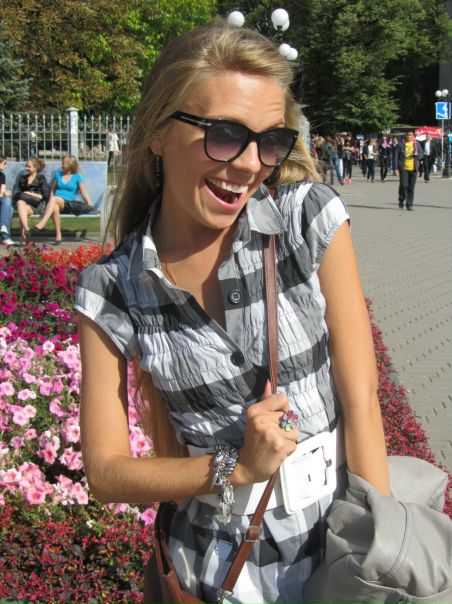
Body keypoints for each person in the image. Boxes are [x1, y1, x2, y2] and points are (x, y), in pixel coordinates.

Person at [75, 23, 390, 604]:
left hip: (333, 547)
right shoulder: (111, 287)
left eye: (270, 141)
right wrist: (235, 468)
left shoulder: (305, 220)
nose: (249, 165)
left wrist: (378, 560)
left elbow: (362, 402)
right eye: (224, 135)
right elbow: (107, 471)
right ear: (159, 133)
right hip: (217, 570)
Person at [34, 155, 93, 245]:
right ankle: (58, 234)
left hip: (68, 204)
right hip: (56, 203)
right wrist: (49, 202)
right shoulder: (58, 174)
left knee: (55, 199)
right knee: (55, 207)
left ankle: (43, 222)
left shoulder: (77, 177)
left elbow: (83, 192)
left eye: (63, 164)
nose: (61, 165)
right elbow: (52, 190)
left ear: (70, 165)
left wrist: (89, 204)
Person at [13, 157, 50, 245]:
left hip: (36, 204)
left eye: (29, 166)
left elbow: (44, 196)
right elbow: (18, 193)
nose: (26, 168)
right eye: (26, 166)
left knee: (21, 209)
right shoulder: (23, 178)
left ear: (35, 168)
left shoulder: (41, 178)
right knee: (20, 204)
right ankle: (27, 230)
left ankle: (23, 236)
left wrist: (30, 193)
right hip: (23, 204)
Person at [394, 131, 424, 211]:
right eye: (407, 135)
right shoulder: (400, 144)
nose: (408, 136)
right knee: (403, 185)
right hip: (403, 168)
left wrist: (417, 155)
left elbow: (421, 154)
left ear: (414, 136)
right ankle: (401, 200)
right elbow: (395, 156)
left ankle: (409, 204)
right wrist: (396, 168)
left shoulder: (416, 144)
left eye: (410, 135)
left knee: (411, 187)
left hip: (413, 168)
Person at [0, 156, 14, 246]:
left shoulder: (2, 175)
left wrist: (6, 192)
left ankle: (2, 227)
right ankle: (5, 237)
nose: (6, 165)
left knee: (8, 200)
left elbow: (2, 191)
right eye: (4, 163)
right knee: (10, 210)